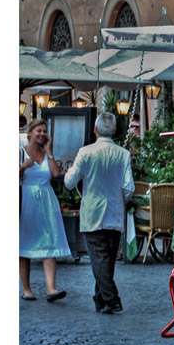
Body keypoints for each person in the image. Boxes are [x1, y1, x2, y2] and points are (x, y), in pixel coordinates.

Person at [64, 112, 135, 314]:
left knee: (99, 259)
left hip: (92, 211)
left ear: (95, 130)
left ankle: (111, 299)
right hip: (114, 211)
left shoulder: (85, 152)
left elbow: (69, 183)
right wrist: (121, 200)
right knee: (107, 259)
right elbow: (128, 187)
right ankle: (101, 299)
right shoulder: (123, 154)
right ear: (114, 131)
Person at [19, 118, 71, 301]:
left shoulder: (46, 153)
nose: (42, 134)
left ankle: (51, 288)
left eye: (44, 131)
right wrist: (23, 167)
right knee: (24, 244)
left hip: (47, 200)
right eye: (38, 131)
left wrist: (49, 151)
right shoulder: (20, 152)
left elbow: (56, 174)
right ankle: (26, 289)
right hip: (27, 199)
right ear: (30, 132)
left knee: (50, 241)